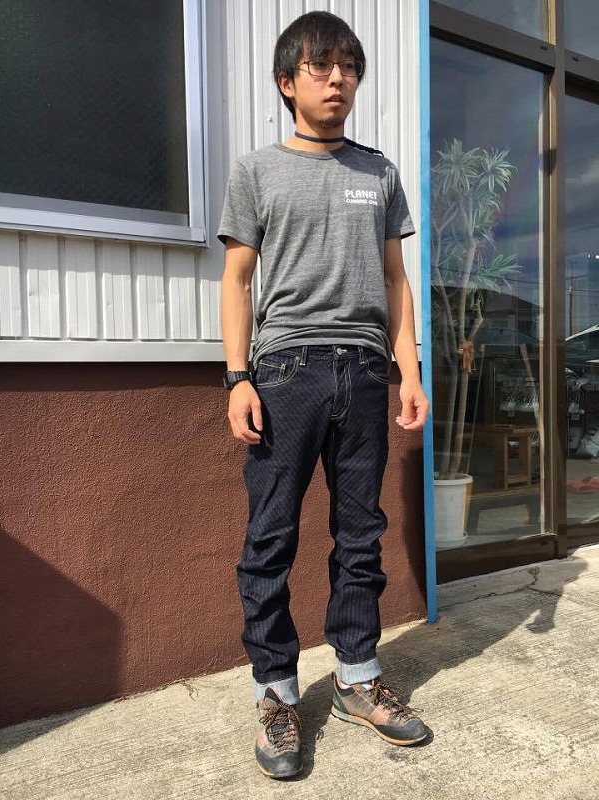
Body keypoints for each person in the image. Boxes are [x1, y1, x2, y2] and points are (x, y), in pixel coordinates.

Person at [218, 10, 430, 779]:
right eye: (320, 66)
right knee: (271, 537)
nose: (338, 78)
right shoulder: (256, 171)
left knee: (361, 535)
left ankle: (356, 677)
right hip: (285, 374)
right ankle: (276, 694)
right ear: (288, 81)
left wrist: (410, 371)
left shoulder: (379, 174)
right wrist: (237, 377)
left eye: (348, 66)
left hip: (366, 372)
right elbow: (237, 280)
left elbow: (395, 281)